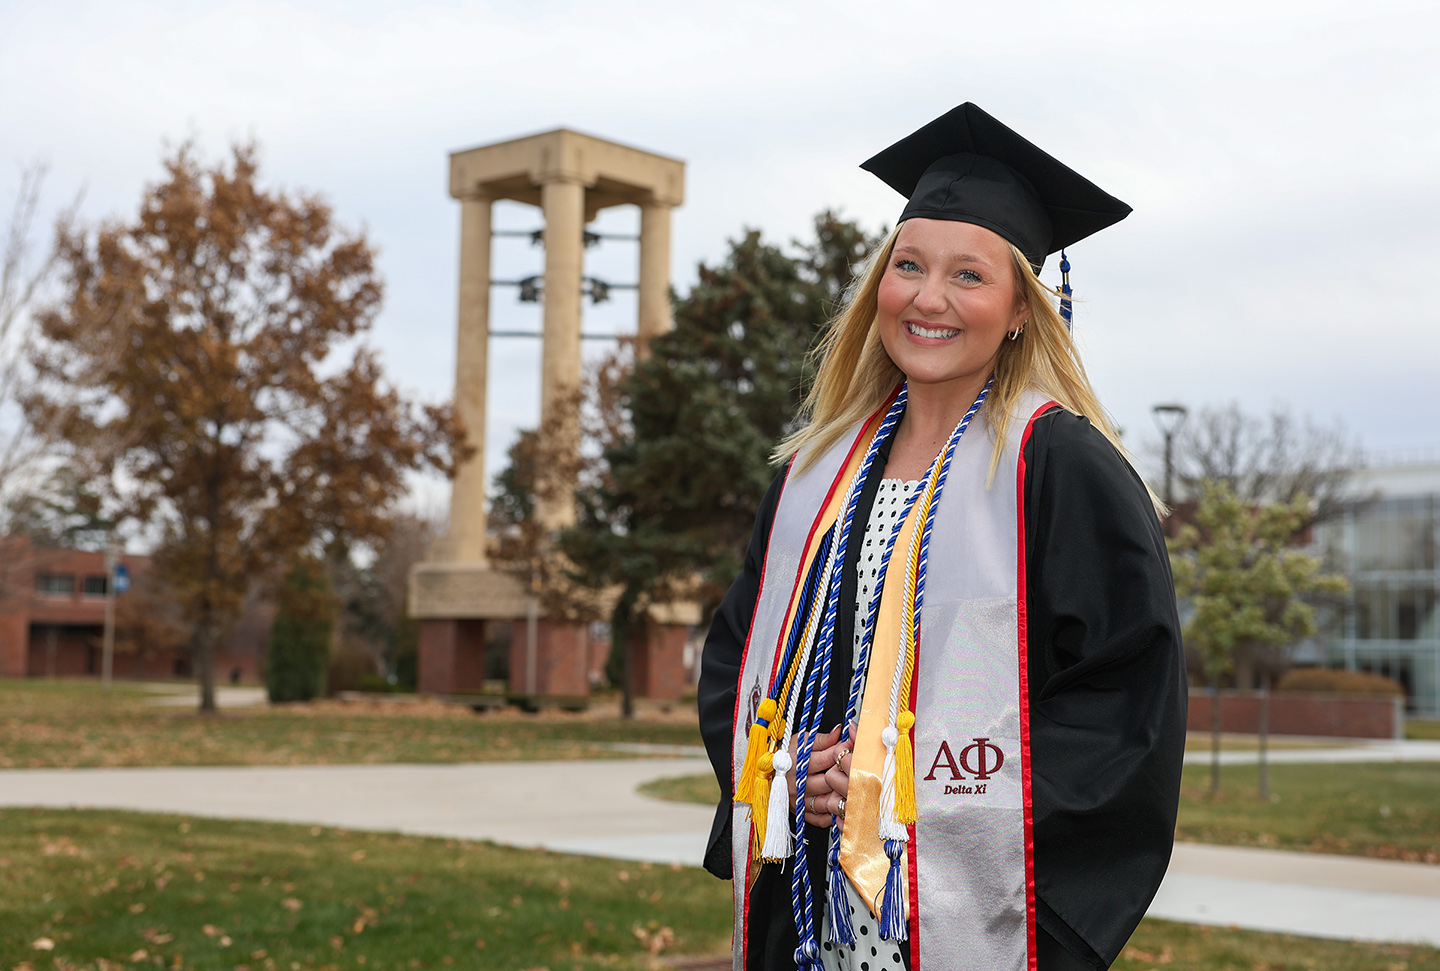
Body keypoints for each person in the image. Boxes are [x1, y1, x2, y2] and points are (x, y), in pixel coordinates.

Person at [697, 103, 1187, 971]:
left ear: (1022, 309)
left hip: (964, 915)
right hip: (813, 910)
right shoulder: (813, 474)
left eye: (969, 276)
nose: (929, 298)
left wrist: (917, 786)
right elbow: (739, 660)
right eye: (909, 266)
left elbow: (1126, 711)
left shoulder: (1058, 468)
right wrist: (788, 765)